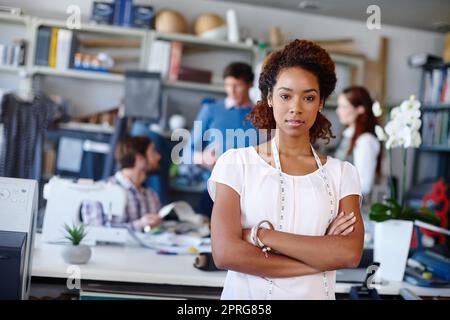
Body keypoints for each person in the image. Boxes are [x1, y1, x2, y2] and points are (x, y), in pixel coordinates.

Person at [207, 39, 364, 299]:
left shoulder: (342, 174)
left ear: (321, 103)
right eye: (285, 95)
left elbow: (348, 254)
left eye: (309, 97)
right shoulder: (235, 164)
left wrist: (260, 235)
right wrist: (321, 257)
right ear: (269, 98)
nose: (296, 108)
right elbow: (225, 253)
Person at [188, 62, 258, 217]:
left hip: (250, 194)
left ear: (250, 85)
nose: (231, 91)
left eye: (237, 85)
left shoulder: (261, 116)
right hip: (214, 190)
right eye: (228, 85)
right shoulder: (211, 110)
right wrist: (202, 157)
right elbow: (188, 151)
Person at [81, 135, 162, 232]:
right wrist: (139, 225)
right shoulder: (100, 192)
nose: (159, 157)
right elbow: (94, 232)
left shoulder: (152, 196)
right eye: (153, 152)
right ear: (139, 159)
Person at [335, 86, 381, 196]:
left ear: (360, 109)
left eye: (344, 107)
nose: (338, 111)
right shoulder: (349, 135)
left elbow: (364, 185)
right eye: (339, 106)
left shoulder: (365, 141)